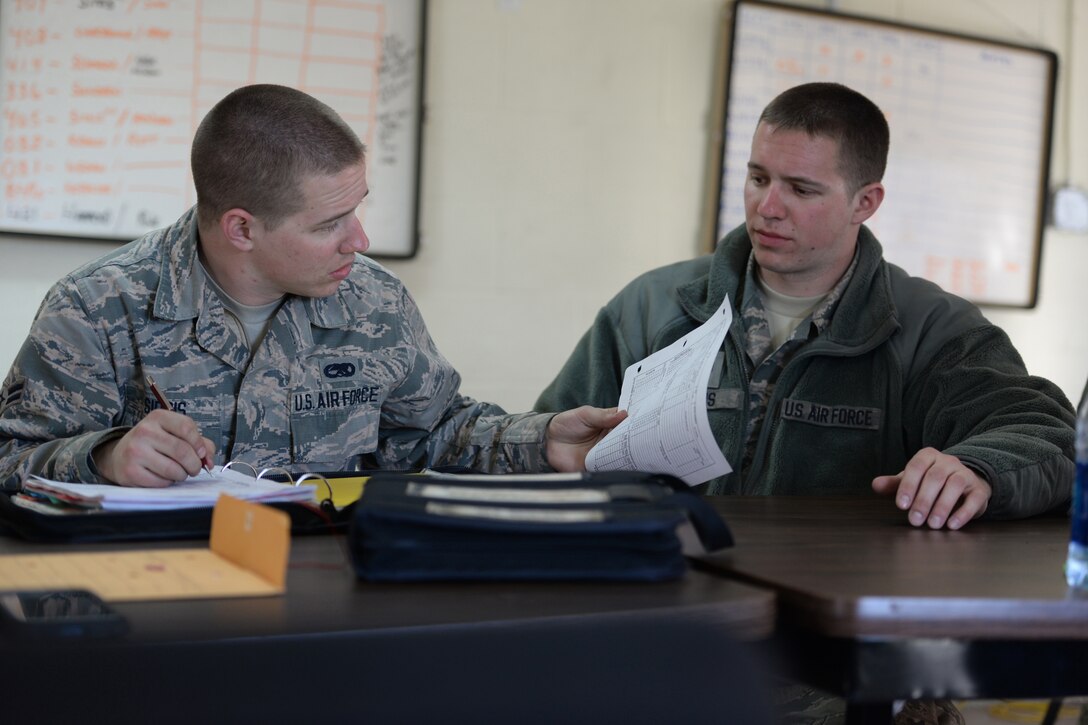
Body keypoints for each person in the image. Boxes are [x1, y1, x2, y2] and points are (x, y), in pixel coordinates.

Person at [0, 84, 624, 490]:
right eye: (329, 223)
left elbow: (432, 436)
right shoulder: (95, 307)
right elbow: (9, 461)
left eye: (357, 208)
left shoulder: (374, 301)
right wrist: (102, 457)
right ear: (241, 228)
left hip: (328, 596)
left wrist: (542, 440)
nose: (360, 239)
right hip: (158, 603)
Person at [537, 81, 1074, 531]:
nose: (767, 207)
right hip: (660, 594)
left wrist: (979, 467)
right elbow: (543, 440)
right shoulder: (650, 307)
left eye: (801, 189)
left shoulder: (932, 329)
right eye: (758, 178)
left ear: (865, 202)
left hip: (832, 621)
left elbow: (1049, 435)